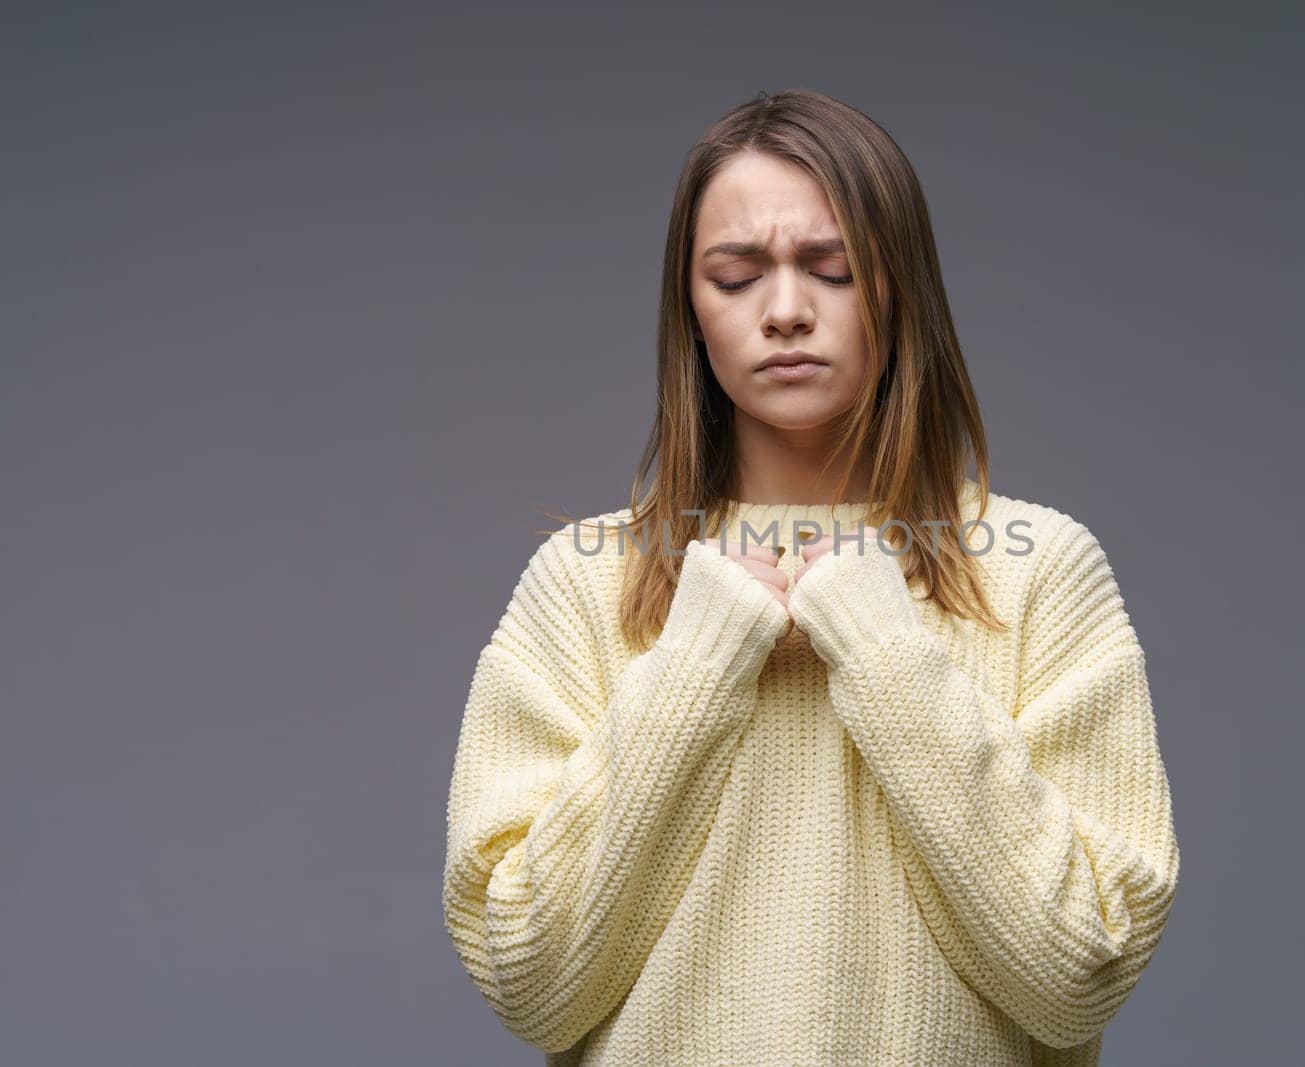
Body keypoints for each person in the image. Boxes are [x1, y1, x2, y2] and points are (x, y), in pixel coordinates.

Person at [441, 87, 1179, 1066]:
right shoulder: (584, 583)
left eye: (831, 269)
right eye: (736, 275)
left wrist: (878, 639)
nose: (786, 310)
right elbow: (531, 982)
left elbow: (1078, 971)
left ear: (899, 287)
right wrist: (701, 653)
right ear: (691, 311)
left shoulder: (1041, 570)